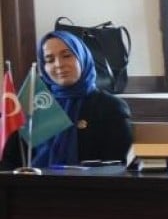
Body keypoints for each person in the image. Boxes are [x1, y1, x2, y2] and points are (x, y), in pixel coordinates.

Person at [1, 30, 132, 169]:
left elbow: (117, 165)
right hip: (34, 188)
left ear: (82, 57)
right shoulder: (38, 105)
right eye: (50, 59)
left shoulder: (109, 107)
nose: (58, 64)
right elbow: (10, 163)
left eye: (67, 56)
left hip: (90, 188)